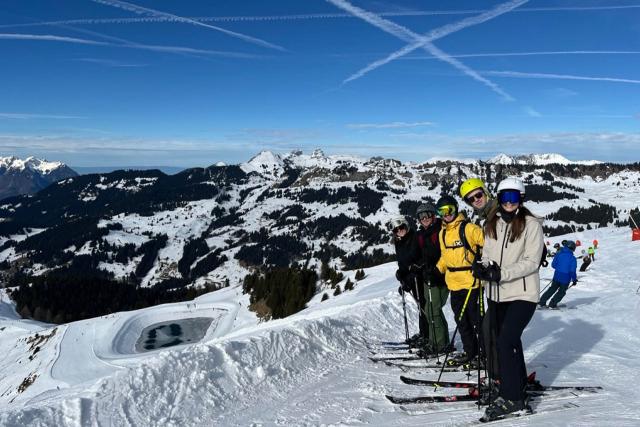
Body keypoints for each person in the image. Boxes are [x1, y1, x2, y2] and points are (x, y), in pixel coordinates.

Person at [471, 177, 544, 421]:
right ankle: (518, 383)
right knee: (510, 342)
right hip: (496, 293)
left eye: (514, 197)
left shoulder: (531, 225)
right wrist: (481, 268)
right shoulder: (493, 223)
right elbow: (487, 254)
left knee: (504, 342)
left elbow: (532, 262)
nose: (509, 202)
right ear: (499, 199)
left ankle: (513, 398)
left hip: (523, 294)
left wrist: (501, 273)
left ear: (521, 199)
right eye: (504, 197)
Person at [435, 195, 484, 365]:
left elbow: (489, 244)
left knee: (475, 319)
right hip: (453, 282)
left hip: (471, 281)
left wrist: (482, 263)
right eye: (442, 211)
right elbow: (445, 256)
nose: (446, 214)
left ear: (456, 209)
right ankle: (471, 352)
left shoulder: (469, 228)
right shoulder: (442, 233)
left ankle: (485, 354)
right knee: (461, 320)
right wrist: (437, 269)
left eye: (450, 210)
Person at [415, 203, 450, 355]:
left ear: (433, 215)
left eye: (427, 215)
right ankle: (437, 341)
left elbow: (445, 253)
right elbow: (423, 254)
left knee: (433, 311)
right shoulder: (422, 234)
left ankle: (440, 344)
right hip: (427, 277)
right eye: (421, 217)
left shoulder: (440, 231)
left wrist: (435, 270)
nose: (425, 219)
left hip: (439, 278)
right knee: (429, 311)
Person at [389, 215, 427, 347]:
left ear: (406, 226)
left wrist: (415, 270)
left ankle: (427, 335)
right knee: (420, 305)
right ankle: (423, 333)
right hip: (411, 279)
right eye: (396, 230)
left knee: (424, 305)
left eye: (401, 227)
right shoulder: (399, 243)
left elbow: (423, 257)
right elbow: (403, 263)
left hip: (421, 277)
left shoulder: (415, 238)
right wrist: (401, 274)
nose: (399, 231)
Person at [538, 240, 578, 309]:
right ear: (572, 248)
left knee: (551, 289)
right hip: (565, 279)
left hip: (556, 276)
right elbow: (572, 271)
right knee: (561, 292)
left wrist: (560, 267)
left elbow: (553, 265)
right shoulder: (572, 258)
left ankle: (541, 302)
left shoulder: (559, 254)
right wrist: (574, 280)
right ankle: (552, 304)